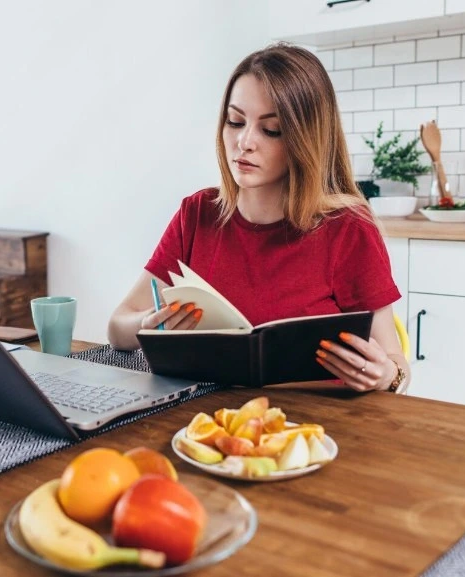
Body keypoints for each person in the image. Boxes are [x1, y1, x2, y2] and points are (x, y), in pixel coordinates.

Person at [107, 43, 409, 394]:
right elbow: (117, 327)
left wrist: (386, 375)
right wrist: (149, 326)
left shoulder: (348, 228)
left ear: (306, 139)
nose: (244, 142)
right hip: (207, 417)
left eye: (271, 129)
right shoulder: (197, 214)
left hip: (311, 422)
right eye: (235, 121)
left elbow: (397, 365)